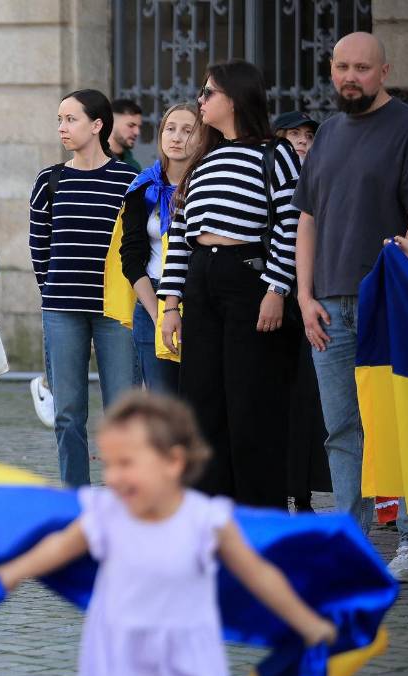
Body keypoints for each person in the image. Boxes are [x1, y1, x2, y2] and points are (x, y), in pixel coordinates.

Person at [0, 390, 336, 676]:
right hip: (123, 669)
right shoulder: (106, 515)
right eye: (110, 463)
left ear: (173, 462)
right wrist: (15, 571)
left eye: (128, 464)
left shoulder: (205, 520)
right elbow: (58, 547)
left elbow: (260, 575)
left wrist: (309, 624)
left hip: (189, 669)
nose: (115, 477)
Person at [294, 32, 408, 580]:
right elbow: (308, 220)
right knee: (342, 430)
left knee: (401, 422)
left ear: (383, 70)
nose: (351, 77)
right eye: (342, 67)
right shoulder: (325, 134)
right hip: (327, 302)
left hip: (387, 302)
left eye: (362, 68)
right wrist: (303, 296)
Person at [159, 60, 302, 509]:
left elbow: (290, 223)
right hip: (201, 281)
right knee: (202, 404)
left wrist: (276, 289)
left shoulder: (274, 155)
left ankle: (260, 519)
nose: (201, 101)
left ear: (235, 99)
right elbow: (181, 235)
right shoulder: (203, 160)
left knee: (251, 406)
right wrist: (170, 304)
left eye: (208, 93)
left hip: (248, 279)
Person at [29, 89, 139, 488]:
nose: (62, 127)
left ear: (97, 125)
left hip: (116, 312)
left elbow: (136, 248)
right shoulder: (50, 180)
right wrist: (54, 291)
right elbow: (38, 245)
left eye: (71, 119)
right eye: (60, 119)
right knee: (68, 412)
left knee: (122, 411)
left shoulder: (130, 181)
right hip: (62, 309)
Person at [271, 110, 331, 512]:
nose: (303, 141)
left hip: (315, 297)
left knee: (307, 400)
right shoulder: (270, 174)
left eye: (308, 134)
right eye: (294, 134)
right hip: (275, 297)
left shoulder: (325, 177)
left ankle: (304, 493)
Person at [118, 102, 198, 394]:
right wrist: (158, 314)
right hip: (153, 299)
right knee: (162, 403)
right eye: (170, 129)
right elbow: (131, 257)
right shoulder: (143, 187)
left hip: (200, 299)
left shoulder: (207, 185)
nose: (177, 137)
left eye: (188, 130)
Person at [109, 98, 144, 171]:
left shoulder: (134, 167)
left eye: (139, 127)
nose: (137, 132)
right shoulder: (91, 161)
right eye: (131, 125)